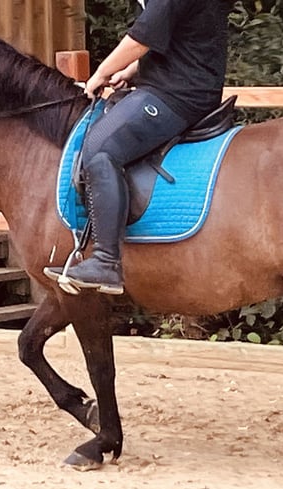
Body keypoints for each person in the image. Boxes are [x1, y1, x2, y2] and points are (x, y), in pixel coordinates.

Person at [45, 0, 232, 295]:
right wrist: (132, 69)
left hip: (177, 95)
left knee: (98, 148)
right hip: (177, 85)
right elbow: (176, 37)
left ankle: (106, 261)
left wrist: (100, 74)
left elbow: (142, 38)